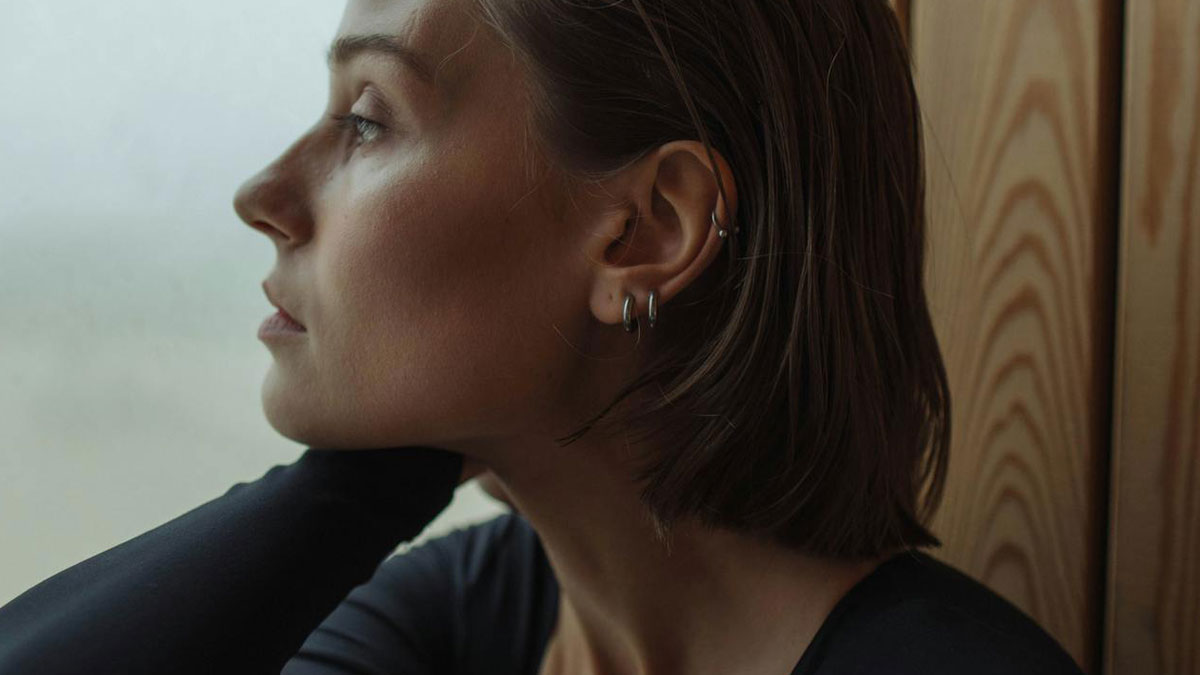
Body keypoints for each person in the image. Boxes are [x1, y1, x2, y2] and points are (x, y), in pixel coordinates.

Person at [0, 0, 1087, 673]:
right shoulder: (461, 617)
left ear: (650, 230)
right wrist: (339, 498)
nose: (264, 193)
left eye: (368, 118)